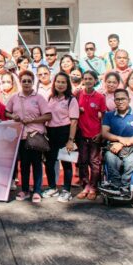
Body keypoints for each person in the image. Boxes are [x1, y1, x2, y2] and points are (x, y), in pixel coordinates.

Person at [7, 71, 51, 203]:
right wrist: (12, 116)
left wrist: (32, 121)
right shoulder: (14, 97)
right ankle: (25, 190)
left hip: (35, 135)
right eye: (24, 81)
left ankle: (37, 190)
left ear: (33, 82)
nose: (26, 83)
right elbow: (6, 112)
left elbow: (48, 115)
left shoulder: (39, 98)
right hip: (21, 136)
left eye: (29, 81)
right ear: (20, 82)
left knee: (37, 164)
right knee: (24, 165)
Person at [100, 89, 133, 195]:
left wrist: (122, 143)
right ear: (114, 101)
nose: (120, 101)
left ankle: (126, 187)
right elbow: (105, 133)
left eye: (123, 99)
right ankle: (115, 186)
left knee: (130, 161)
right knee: (110, 158)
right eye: (117, 99)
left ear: (129, 100)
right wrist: (119, 139)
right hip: (114, 146)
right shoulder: (109, 115)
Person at [43, 72, 79, 203]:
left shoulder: (71, 99)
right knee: (50, 162)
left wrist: (71, 140)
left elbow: (74, 121)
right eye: (58, 81)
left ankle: (66, 190)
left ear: (67, 84)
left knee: (66, 162)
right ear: (54, 83)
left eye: (63, 82)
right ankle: (52, 187)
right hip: (50, 132)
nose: (60, 84)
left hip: (65, 132)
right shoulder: (50, 97)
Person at [76, 70, 105, 200]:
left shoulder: (100, 97)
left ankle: (94, 187)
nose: (87, 81)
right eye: (85, 78)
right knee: (82, 161)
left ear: (95, 81)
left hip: (95, 134)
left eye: (90, 79)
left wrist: (101, 133)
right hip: (81, 133)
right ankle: (85, 186)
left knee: (94, 162)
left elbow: (103, 117)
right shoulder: (77, 95)